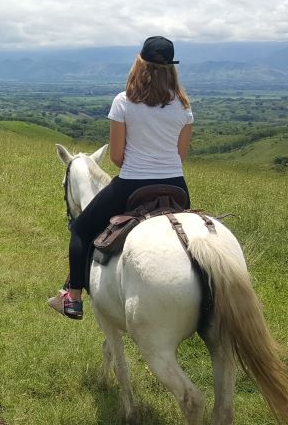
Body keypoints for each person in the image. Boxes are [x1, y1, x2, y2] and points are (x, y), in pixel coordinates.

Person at [51, 36, 193, 320]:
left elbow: (116, 157)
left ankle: (73, 297)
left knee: (80, 230)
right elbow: (180, 155)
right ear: (171, 69)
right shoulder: (183, 106)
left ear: (140, 64)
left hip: (132, 185)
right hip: (177, 187)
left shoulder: (123, 102)